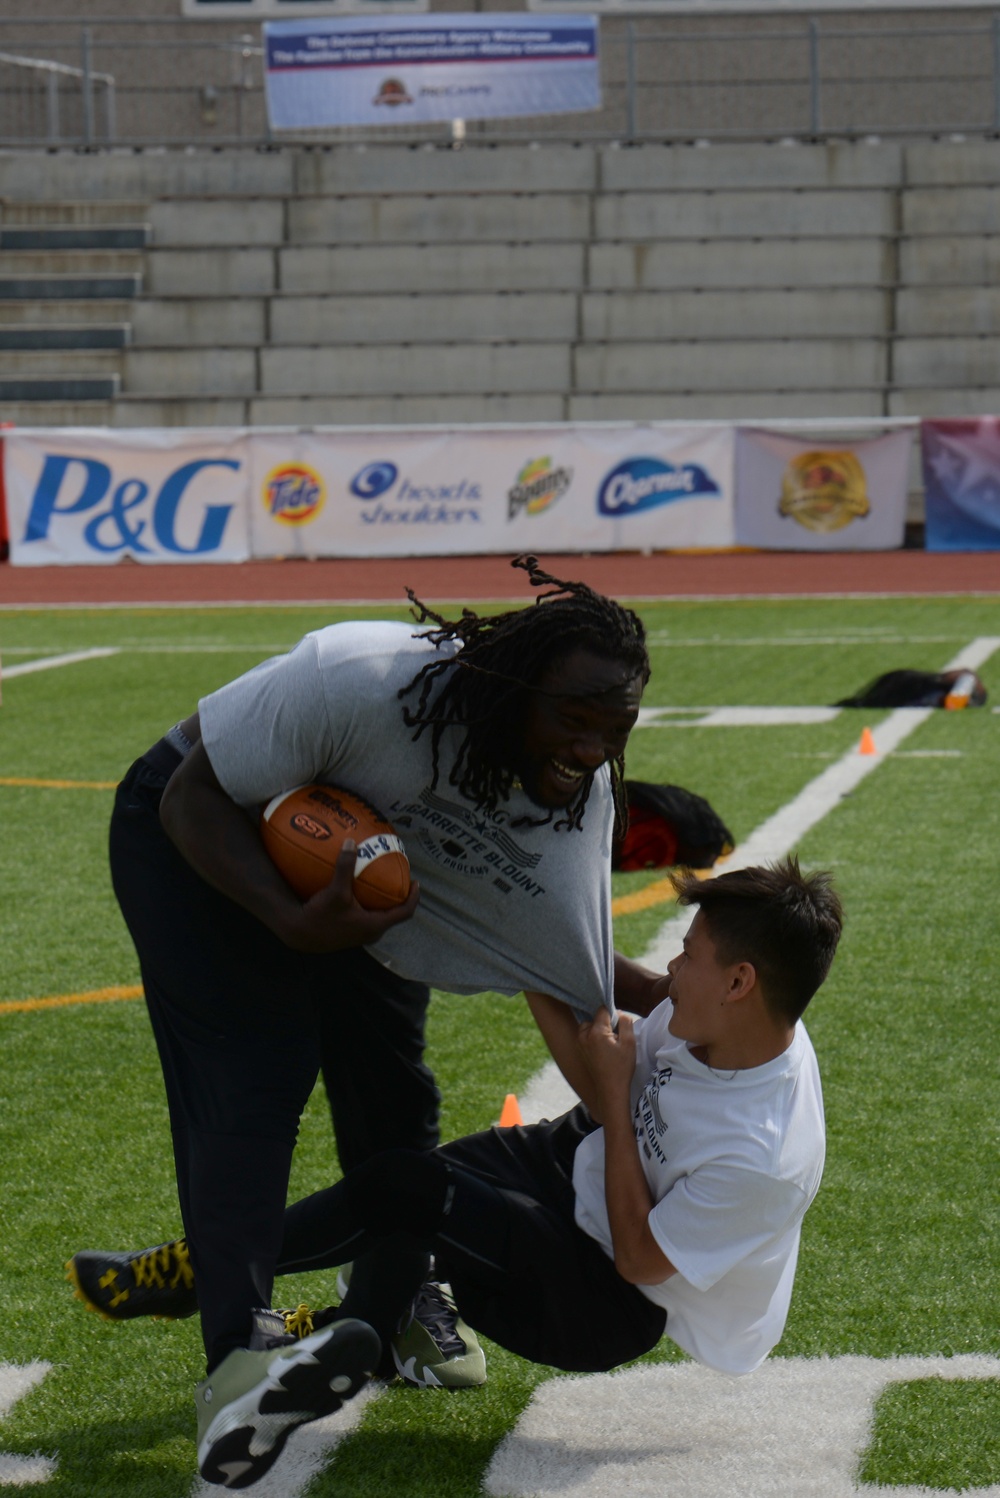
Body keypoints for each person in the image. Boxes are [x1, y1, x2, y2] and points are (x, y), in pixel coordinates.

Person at [68, 556, 662, 1479]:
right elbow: (190, 795)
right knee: (253, 1075)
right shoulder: (363, 680)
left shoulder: (574, 807)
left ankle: (383, 1322)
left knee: (393, 1093)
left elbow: (580, 977)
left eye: (614, 728)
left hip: (358, 887)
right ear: (507, 692)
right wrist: (288, 916)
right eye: (574, 719)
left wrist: (743, 1015)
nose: (590, 750)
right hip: (198, 839)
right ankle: (239, 1363)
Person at [184, 855, 843, 1488]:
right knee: (406, 1189)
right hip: (576, 1180)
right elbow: (598, 1073)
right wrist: (522, 947)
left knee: (409, 1194)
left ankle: (212, 1274)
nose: (672, 966)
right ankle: (354, 1328)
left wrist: (616, 1103)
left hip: (602, 1304)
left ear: (739, 982)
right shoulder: (727, 1019)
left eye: (690, 954)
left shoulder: (766, 1157)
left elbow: (639, 1261)